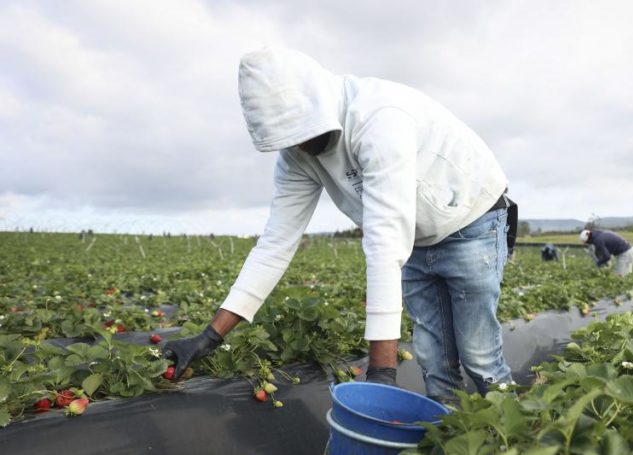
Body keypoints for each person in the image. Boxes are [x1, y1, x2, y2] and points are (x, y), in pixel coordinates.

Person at [163, 46, 516, 402]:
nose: (301, 146)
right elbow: (274, 246)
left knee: (478, 354)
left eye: (302, 133)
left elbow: (384, 242)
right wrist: (208, 337)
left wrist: (382, 371)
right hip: (417, 241)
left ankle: (508, 428)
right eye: (290, 139)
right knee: (434, 359)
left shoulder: (378, 119)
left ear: (318, 104)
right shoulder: (296, 156)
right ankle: (452, 432)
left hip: (472, 222)